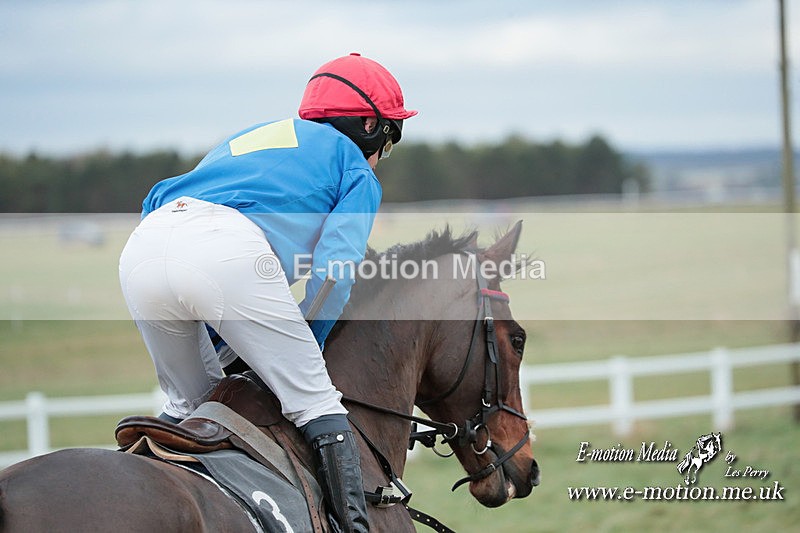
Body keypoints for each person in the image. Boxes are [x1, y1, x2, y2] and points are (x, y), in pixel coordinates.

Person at [118, 52, 416, 532]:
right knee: (315, 400)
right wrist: (307, 345)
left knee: (190, 406)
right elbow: (336, 272)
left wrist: (229, 338)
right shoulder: (355, 170)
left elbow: (161, 202)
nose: (385, 152)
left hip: (145, 246)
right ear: (369, 127)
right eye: (391, 136)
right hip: (223, 251)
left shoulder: (251, 138)